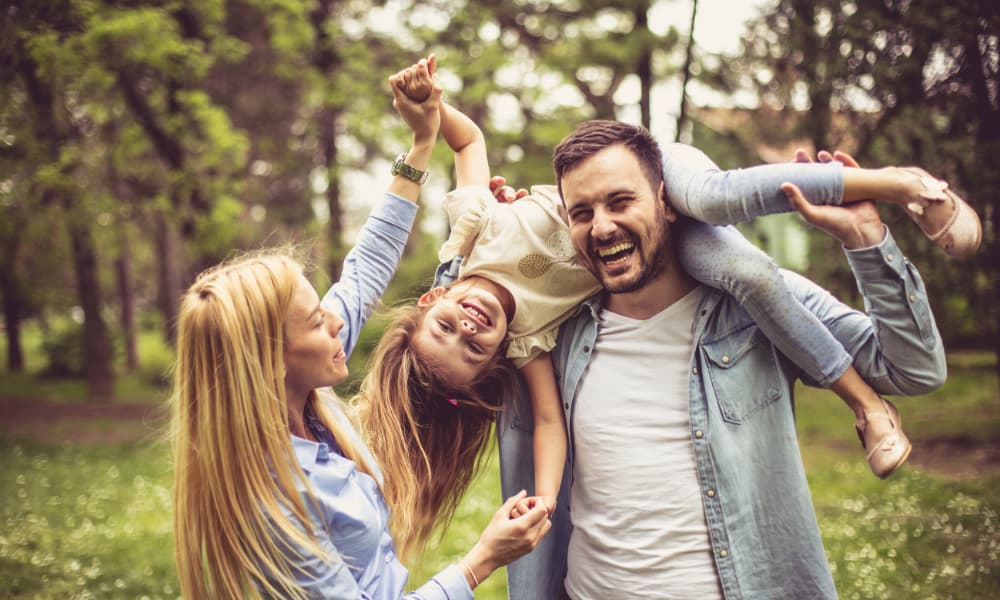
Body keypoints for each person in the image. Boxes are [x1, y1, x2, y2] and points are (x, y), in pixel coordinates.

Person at [362, 55, 976, 538]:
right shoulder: (534, 340)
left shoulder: (473, 230)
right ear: (496, 357)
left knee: (711, 197)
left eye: (447, 329)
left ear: (431, 301)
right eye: (473, 349)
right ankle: (866, 403)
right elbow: (548, 421)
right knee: (748, 273)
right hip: (658, 232)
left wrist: (430, 114)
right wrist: (545, 500)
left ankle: (903, 184)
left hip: (644, 163)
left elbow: (468, 145)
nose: (469, 328)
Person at [493, 121, 954, 599]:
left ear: (666, 201)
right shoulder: (557, 333)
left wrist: (866, 239)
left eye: (621, 202)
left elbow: (914, 370)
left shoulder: (762, 307)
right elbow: (456, 354)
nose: (602, 226)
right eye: (582, 212)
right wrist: (484, 245)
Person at [170, 71, 550, 600]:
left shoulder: (304, 392)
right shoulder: (273, 502)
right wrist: (481, 560)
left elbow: (366, 266)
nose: (337, 322)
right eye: (315, 321)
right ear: (269, 362)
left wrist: (421, 143)